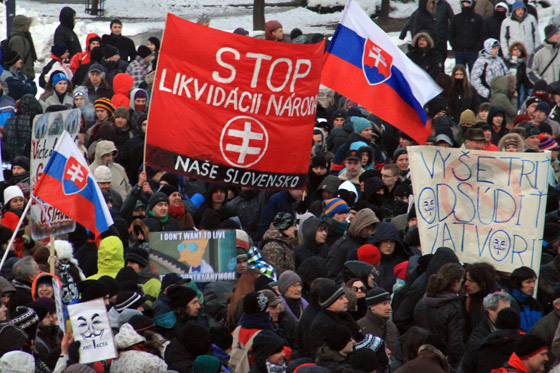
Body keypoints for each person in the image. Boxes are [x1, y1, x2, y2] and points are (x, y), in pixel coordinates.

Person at [413, 263, 465, 368]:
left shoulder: (422, 302)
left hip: (422, 357)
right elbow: (456, 344)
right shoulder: (453, 308)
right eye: (461, 282)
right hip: (444, 361)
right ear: (456, 283)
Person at [449, 0, 487, 72]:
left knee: (474, 73)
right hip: (459, 51)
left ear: (471, 4)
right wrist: (454, 46)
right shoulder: (456, 18)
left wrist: (477, 47)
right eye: (463, 3)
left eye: (467, 3)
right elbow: (451, 33)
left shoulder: (478, 18)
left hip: (472, 52)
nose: (465, 5)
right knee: (459, 73)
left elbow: (483, 34)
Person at [357, 287, 399, 351]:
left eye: (389, 303)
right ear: (372, 307)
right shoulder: (361, 327)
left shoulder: (391, 325)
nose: (389, 307)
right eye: (384, 304)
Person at [508, 266, 542, 333]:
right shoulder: (508, 303)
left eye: (534, 282)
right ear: (517, 284)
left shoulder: (536, 304)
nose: (532, 285)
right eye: (528, 282)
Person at [8, 14, 37, 80]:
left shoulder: (24, 36)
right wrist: (24, 77)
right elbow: (18, 61)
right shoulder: (17, 40)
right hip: (23, 77)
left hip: (26, 76)